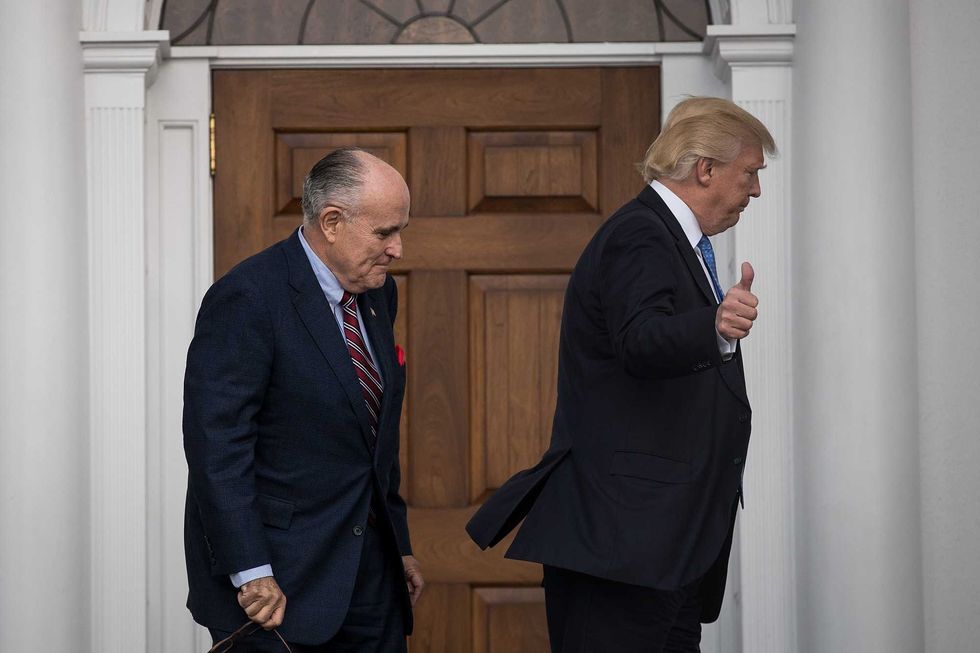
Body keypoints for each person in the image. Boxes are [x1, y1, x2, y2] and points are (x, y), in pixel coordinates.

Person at [465, 97, 776, 652]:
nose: (755, 190)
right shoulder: (642, 233)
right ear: (705, 169)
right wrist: (715, 325)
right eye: (749, 172)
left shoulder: (671, 238)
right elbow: (639, 341)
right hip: (623, 543)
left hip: (659, 548)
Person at [183, 148, 424, 652]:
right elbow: (217, 447)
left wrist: (398, 545)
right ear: (331, 221)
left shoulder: (379, 292)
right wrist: (251, 572)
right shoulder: (249, 297)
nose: (398, 249)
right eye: (384, 232)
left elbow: (375, 436)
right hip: (278, 584)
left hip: (371, 577)